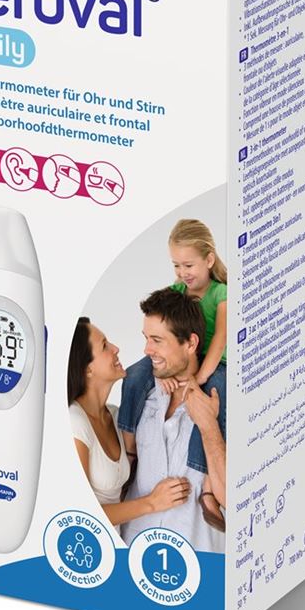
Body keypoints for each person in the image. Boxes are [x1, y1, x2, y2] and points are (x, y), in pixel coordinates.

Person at [118, 218, 228, 528]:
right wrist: (163, 372)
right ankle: (129, 454)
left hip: (215, 362)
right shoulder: (178, 290)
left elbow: (220, 339)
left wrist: (199, 379)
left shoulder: (221, 294)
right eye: (176, 266)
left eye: (188, 265)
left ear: (209, 259)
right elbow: (161, 311)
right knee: (134, 374)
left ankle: (208, 489)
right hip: (136, 544)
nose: (182, 273)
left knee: (217, 398)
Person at [120, 289, 226, 553]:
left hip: (197, 558)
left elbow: (232, 500)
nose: (147, 350)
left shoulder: (221, 402)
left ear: (190, 343)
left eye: (157, 340)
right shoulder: (142, 392)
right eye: (146, 338)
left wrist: (208, 426)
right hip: (132, 549)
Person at [67, 317, 191, 531]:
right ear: (87, 369)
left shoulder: (116, 416)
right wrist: (152, 502)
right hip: (86, 543)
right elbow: (79, 513)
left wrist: (161, 374)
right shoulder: (75, 422)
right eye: (104, 346)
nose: (115, 348)